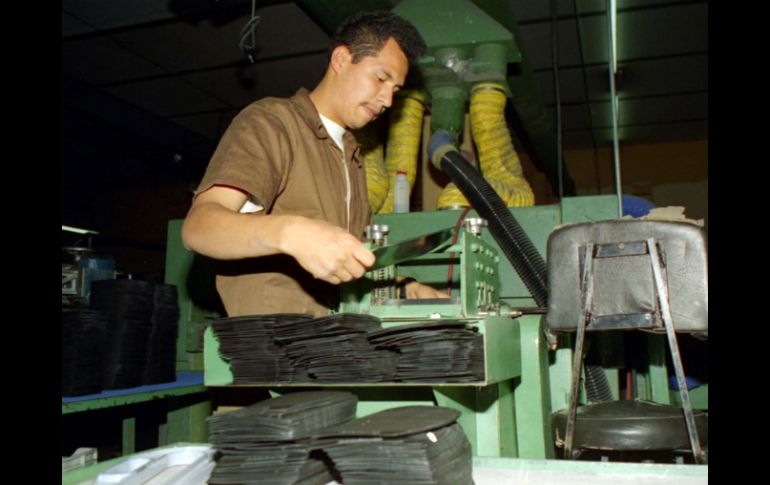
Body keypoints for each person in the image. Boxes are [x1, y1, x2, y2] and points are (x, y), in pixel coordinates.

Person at [182, 11, 443, 317]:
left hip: (336, 338)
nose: (387, 100)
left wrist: (404, 287)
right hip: (275, 339)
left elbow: (348, 263)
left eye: (395, 90)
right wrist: (292, 233)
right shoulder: (273, 123)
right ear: (341, 59)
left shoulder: (352, 159)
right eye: (381, 78)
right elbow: (198, 228)